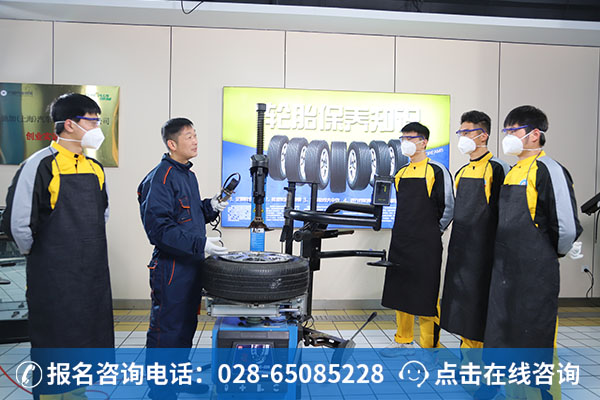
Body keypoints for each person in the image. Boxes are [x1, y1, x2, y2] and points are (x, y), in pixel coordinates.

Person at [1, 93, 113, 398]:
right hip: (53, 277)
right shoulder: (39, 165)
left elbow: (102, 215)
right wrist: (43, 257)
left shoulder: (95, 168)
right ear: (69, 125)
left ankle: (77, 392)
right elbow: (19, 223)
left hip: (91, 276)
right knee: (55, 339)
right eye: (92, 121)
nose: (98, 128)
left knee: (86, 340)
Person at [137, 117, 228, 397]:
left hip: (190, 265)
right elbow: (159, 229)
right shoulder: (161, 177)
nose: (195, 141)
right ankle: (160, 390)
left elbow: (187, 215)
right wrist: (202, 244)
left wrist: (210, 206)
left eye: (195, 135)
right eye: (189, 136)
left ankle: (177, 378)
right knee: (168, 329)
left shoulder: (187, 174)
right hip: (171, 268)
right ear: (172, 144)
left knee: (186, 326)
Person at [485, 105, 582, 349]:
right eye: (506, 132)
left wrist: (549, 254)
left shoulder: (549, 169)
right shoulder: (512, 171)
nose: (508, 137)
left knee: (534, 330)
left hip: (535, 270)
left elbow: (566, 227)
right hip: (506, 267)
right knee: (503, 329)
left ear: (535, 134)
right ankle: (503, 374)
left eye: (513, 131)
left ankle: (540, 376)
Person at [381, 122, 454, 356]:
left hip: (426, 244)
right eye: (403, 138)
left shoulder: (437, 170)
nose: (405, 143)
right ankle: (403, 340)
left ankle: (429, 347)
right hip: (401, 240)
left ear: (423, 142)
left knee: (426, 294)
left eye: (410, 138)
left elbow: (448, 207)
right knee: (400, 291)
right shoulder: (401, 173)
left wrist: (432, 232)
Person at [440, 111, 509, 349]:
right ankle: (468, 360)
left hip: (486, 253)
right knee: (463, 310)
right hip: (461, 252)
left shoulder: (497, 168)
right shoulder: (462, 172)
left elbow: (507, 214)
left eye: (467, 132)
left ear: (483, 135)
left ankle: (479, 364)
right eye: (460, 132)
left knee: (481, 311)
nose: (462, 137)